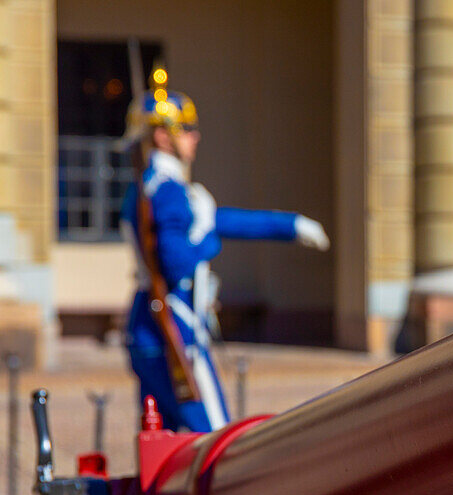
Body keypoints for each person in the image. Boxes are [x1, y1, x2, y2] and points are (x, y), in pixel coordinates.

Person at [121, 68, 329, 432]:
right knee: (215, 440)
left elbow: (228, 220)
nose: (195, 137)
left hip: (146, 326)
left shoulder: (145, 188)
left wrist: (290, 226)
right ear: (162, 136)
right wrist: (205, 236)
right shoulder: (168, 190)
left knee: (161, 442)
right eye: (186, 129)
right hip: (175, 327)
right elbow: (178, 263)